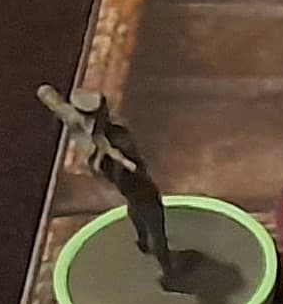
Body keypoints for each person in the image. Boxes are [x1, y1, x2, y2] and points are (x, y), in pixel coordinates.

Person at [36, 84, 186, 293]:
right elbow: (132, 171)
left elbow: (60, 108)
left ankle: (142, 242)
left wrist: (49, 96)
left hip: (127, 189)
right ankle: (168, 274)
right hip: (138, 188)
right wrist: (133, 168)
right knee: (156, 228)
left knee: (135, 209)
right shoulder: (120, 141)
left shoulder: (80, 130)